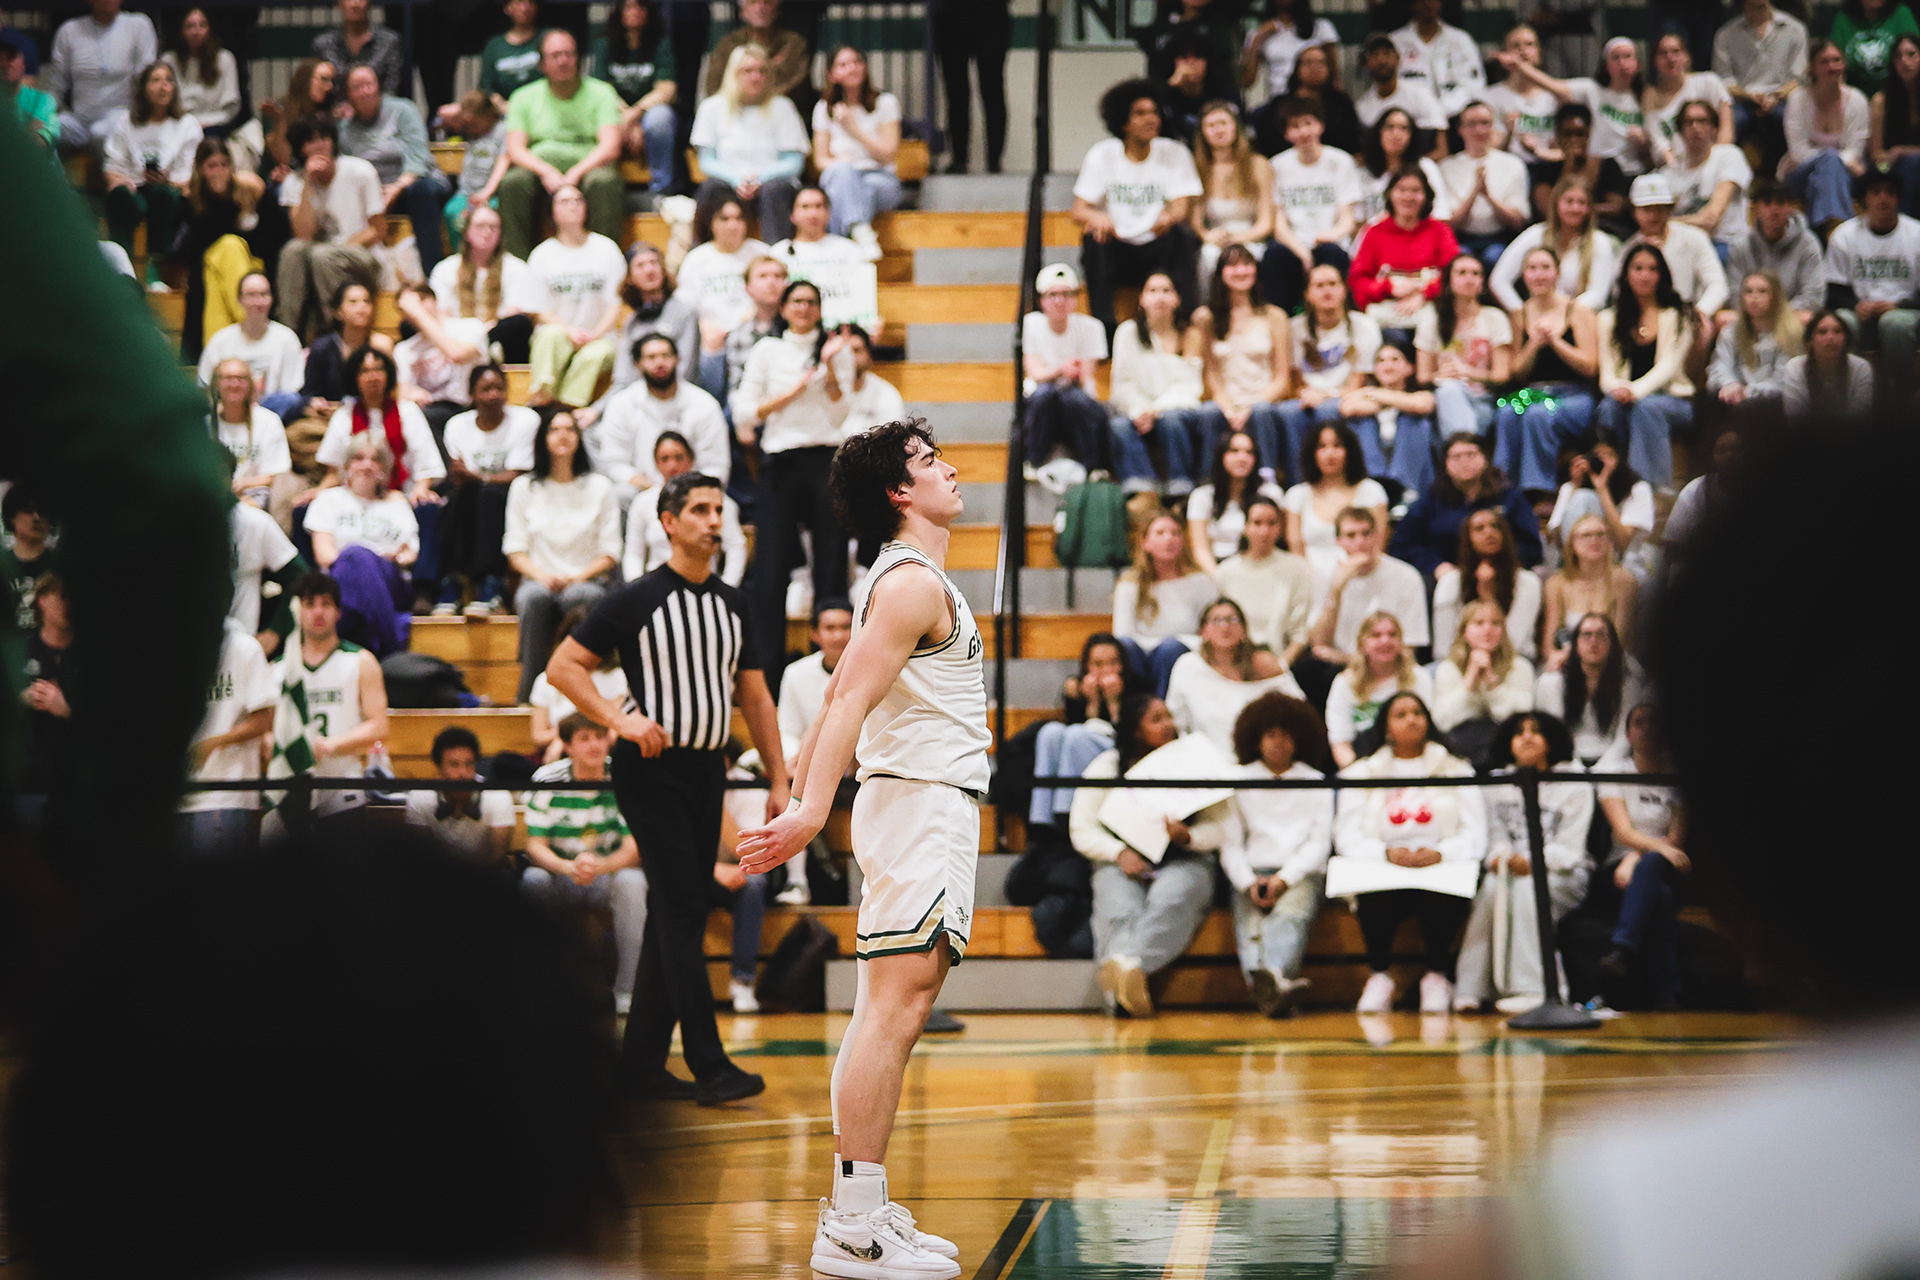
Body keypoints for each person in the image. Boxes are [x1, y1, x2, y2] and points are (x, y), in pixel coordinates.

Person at [728, 420, 985, 1274]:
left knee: (884, 1011)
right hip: (920, 806)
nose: (948, 467)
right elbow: (843, 707)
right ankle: (853, 1226)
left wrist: (806, 791)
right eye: (924, 462)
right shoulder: (912, 584)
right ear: (898, 494)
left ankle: (860, 1205)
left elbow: (838, 688)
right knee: (897, 1013)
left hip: (912, 805)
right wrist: (807, 811)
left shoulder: (900, 579)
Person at [551, 459, 790, 1094]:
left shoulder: (735, 605)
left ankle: (639, 1068)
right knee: (685, 902)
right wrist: (618, 721)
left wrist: (778, 777)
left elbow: (757, 699)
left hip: (705, 769)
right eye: (701, 511)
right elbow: (563, 666)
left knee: (672, 910)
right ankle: (709, 1064)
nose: (716, 521)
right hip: (651, 769)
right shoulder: (634, 598)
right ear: (668, 523)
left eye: (720, 511)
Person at [1066, 693, 1228, 1020]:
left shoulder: (1197, 764)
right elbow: (1081, 827)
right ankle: (1127, 994)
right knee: (1119, 908)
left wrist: (1189, 837)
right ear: (1135, 731)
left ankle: (1125, 976)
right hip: (1123, 858)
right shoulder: (1109, 765)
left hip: (1184, 858)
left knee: (1174, 897)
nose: (1168, 724)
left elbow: (1221, 826)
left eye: (1169, 716)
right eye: (1156, 719)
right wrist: (1118, 852)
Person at [1334, 690, 1486, 1012]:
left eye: (1417, 712)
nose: (1411, 720)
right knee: (1374, 891)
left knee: (1440, 894)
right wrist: (1384, 854)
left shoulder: (1456, 769)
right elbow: (1346, 835)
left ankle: (1437, 976)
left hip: (1441, 864)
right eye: (1400, 714)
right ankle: (1379, 976)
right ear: (1386, 727)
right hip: (1385, 864)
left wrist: (1442, 853)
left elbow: (1476, 833)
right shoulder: (1362, 772)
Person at [732, 279, 855, 676]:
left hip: (826, 460)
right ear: (783, 308)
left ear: (820, 309)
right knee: (769, 568)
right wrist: (799, 387)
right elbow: (748, 413)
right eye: (796, 301)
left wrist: (831, 369)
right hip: (780, 460)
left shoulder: (837, 350)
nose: (803, 308)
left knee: (832, 564)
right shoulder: (767, 350)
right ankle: (766, 671)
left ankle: (834, 662)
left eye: (811, 302)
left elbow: (841, 413)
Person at [1451, 709, 1593, 1012]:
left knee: (1531, 888)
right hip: (1508, 868)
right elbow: (1492, 834)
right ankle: (1471, 988)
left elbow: (1571, 848)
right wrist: (1502, 857)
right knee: (1491, 889)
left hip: (1564, 872)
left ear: (1551, 741)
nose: (1527, 737)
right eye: (1519, 732)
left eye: (1536, 731)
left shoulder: (1575, 783)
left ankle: (1536, 989)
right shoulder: (1495, 782)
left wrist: (1532, 861)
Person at [523, 712, 651, 1014]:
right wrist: (568, 868)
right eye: (584, 738)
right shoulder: (547, 780)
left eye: (599, 736)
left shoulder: (623, 775)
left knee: (633, 882)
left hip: (606, 874)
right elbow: (535, 845)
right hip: (559, 874)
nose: (595, 745)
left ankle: (627, 991)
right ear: (567, 746)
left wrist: (600, 866)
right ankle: (540, 990)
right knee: (532, 881)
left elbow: (633, 847)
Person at [1216, 691, 1333, 1015]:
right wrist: (1247, 882)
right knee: (1250, 929)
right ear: (1256, 739)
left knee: (1290, 917)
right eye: (1271, 734)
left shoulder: (1315, 781)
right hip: (1252, 870)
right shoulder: (1238, 781)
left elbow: (1318, 843)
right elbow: (1231, 842)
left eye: (1286, 735)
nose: (1279, 742)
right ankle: (1271, 990)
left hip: (1300, 872)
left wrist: (1285, 878)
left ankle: (1273, 982)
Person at [1072, 79, 1204, 336]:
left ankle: (1184, 318)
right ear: (1123, 122)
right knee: (1092, 237)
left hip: (1157, 244)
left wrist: (1168, 217)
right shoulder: (1103, 154)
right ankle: (1105, 328)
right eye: (1140, 113)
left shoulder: (1174, 152)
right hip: (1118, 247)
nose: (1151, 119)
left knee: (1183, 236)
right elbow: (1078, 210)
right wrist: (1098, 218)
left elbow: (1181, 209)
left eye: (1154, 112)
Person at [506, 412, 621, 703]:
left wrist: (576, 576)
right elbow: (515, 550)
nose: (563, 435)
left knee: (581, 597)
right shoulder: (524, 488)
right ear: (543, 438)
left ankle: (586, 693)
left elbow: (610, 551)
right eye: (554, 429)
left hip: (586, 577)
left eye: (570, 429)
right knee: (534, 600)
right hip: (538, 578)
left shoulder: (600, 487)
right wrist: (544, 576)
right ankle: (529, 693)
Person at [267, 571, 390, 830]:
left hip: (342, 790)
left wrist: (328, 746)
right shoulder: (277, 670)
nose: (318, 612)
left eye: (326, 604)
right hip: (290, 791)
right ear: (297, 612)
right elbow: (265, 730)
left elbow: (379, 726)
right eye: (309, 604)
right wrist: (280, 747)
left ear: (338, 612)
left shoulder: (361, 661)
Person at [499, 31, 625, 260]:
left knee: (604, 182)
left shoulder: (602, 92)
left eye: (569, 54)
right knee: (512, 183)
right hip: (541, 170)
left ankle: (605, 264)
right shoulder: (522, 96)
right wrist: (546, 171)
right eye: (555, 55)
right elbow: (515, 149)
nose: (563, 61)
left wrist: (576, 172)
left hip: (588, 167)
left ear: (578, 59)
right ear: (542, 63)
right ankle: (519, 265)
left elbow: (611, 145)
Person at [1594, 703, 1687, 1007]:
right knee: (1658, 896)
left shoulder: (1677, 776)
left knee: (1653, 868)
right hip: (1617, 867)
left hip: (1668, 863)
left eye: (1654, 722)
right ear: (1628, 734)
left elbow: (1676, 838)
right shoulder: (1614, 773)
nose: (1646, 728)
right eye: (1639, 723)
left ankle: (1622, 948)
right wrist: (1635, 856)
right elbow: (1623, 831)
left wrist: (1638, 858)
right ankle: (1667, 992)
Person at [1496, 243, 1602, 493]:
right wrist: (1534, 344)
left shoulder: (1577, 311)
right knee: (1506, 412)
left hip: (1574, 395)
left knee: (1537, 413)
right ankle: (1501, 485)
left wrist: (1556, 342)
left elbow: (1590, 367)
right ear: (1524, 275)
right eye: (1532, 268)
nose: (1539, 274)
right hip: (1532, 393)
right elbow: (1516, 372)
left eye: (1545, 267)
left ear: (1557, 273)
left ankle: (1538, 490)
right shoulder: (1519, 314)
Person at [434, 364, 538, 616]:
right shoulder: (458, 425)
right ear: (472, 395)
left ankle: (491, 582)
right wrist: (480, 479)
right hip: (470, 497)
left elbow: (518, 475)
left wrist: (479, 477)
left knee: (489, 495)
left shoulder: (525, 420)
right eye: (486, 389)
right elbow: (459, 476)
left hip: (510, 496)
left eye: (499, 388)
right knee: (455, 497)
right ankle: (452, 581)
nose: (493, 395)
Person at [1595, 243, 1697, 491]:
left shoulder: (1679, 315)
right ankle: (1614, 485)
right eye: (1638, 268)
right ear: (1626, 274)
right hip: (1627, 396)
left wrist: (1635, 392)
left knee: (1647, 407)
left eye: (1652, 269)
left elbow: (1670, 366)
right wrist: (1619, 389)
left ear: (1661, 275)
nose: (1644, 275)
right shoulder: (1608, 318)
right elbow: (1607, 372)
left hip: (1674, 400)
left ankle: (1651, 489)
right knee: (1607, 408)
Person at [304, 435, 418, 656]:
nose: (367, 465)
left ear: (384, 468)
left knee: (359, 557)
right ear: (347, 466)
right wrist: (361, 561)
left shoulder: (397, 503)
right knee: (355, 556)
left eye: (375, 460)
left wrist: (386, 559)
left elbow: (410, 554)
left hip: (388, 579)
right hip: (340, 577)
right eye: (359, 458)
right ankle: (389, 645)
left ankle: (342, 638)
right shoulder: (329, 499)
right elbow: (324, 555)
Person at [275, 116, 382, 341]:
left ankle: (335, 335)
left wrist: (339, 249)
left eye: (323, 138)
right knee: (292, 250)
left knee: (322, 255)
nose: (319, 145)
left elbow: (378, 229)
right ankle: (287, 337)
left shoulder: (360, 171)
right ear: (300, 149)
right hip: (318, 259)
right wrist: (307, 183)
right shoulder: (294, 182)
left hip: (362, 257)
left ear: (333, 141)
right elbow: (304, 235)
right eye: (310, 141)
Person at [691, 43, 810, 245]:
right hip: (729, 183)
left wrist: (760, 179)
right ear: (733, 73)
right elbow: (707, 161)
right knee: (711, 188)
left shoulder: (782, 107)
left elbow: (794, 162)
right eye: (748, 71)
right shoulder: (712, 107)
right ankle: (702, 251)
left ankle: (779, 255)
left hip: (772, 184)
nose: (756, 77)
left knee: (776, 189)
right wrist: (737, 179)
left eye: (762, 71)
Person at [1191, 244, 1292, 479]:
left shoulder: (1274, 316)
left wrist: (1249, 406)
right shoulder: (1206, 318)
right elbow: (1211, 373)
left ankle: (1269, 479)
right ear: (1221, 272)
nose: (1241, 271)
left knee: (1261, 412)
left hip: (1262, 399)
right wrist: (1228, 406)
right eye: (1233, 265)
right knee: (1208, 414)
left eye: (1247, 264)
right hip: (1226, 401)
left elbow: (1282, 378)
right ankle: (1207, 482)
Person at [592, 333, 731, 504]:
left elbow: (716, 467)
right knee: (620, 494)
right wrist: (648, 487)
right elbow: (613, 462)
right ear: (637, 364)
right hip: (641, 493)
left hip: (693, 495)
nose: (659, 363)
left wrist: (686, 492)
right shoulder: (621, 404)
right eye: (651, 357)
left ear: (677, 359)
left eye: (665, 355)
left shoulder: (704, 405)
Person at [339, 64, 452, 273]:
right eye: (357, 87)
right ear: (348, 94)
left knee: (422, 192)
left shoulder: (402, 110)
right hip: (375, 195)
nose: (364, 91)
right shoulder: (344, 129)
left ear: (378, 87)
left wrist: (397, 187)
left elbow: (419, 156)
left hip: (416, 182)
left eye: (369, 84)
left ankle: (432, 275)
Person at [179, 614, 278, 854]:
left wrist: (213, 744)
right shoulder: (173, 647)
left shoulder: (244, 647)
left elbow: (264, 718)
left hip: (226, 796)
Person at [1494, 36, 1658, 179]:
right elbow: (1553, 86)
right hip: (1599, 169)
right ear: (1605, 65)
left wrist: (1644, 143)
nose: (1622, 63)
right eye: (1615, 58)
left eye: (1628, 57)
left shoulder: (1646, 96)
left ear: (1638, 63)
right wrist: (1519, 66)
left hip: (1635, 171)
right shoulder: (1592, 89)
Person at [1029, 632, 1146, 831]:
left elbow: (1130, 737)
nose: (1106, 670)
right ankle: (1040, 821)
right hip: (1080, 745)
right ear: (1087, 666)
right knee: (1050, 732)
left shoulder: (1136, 688)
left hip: (1118, 750)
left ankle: (1064, 814)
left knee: (1076, 734)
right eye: (1098, 664)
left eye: (1113, 663)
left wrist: (1113, 703)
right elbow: (1073, 730)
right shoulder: (1077, 689)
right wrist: (1091, 704)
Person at [524, 185, 628, 409]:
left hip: (600, 336)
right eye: (564, 201)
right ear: (552, 211)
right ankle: (542, 397)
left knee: (593, 356)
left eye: (577, 200)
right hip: (559, 332)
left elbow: (615, 304)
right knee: (549, 336)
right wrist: (570, 331)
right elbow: (540, 309)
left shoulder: (606, 249)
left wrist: (594, 334)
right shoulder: (541, 255)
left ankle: (565, 410)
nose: (572, 206)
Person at [1392, 432, 1545, 581]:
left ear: (1485, 458)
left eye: (1471, 454)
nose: (1464, 462)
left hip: (1501, 575)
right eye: (1456, 457)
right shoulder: (1431, 501)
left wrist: (1499, 565)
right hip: (1446, 576)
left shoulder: (1509, 498)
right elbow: (1402, 545)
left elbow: (1531, 546)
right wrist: (1435, 565)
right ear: (1445, 465)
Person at [104, 61, 201, 292]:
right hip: (134, 187)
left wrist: (168, 180)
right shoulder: (125, 122)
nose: (163, 87)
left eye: (168, 80)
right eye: (155, 80)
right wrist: (123, 180)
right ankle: (124, 272)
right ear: (143, 88)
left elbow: (192, 175)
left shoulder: (187, 124)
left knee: (163, 195)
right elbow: (111, 167)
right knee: (119, 196)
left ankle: (156, 272)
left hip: (170, 191)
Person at [1108, 271, 1208, 495]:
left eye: (1166, 290)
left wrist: (1156, 410)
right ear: (1142, 299)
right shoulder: (1127, 332)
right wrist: (1140, 410)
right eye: (1152, 291)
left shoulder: (1190, 335)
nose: (1159, 297)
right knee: (1119, 425)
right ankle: (1143, 487)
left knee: (1171, 420)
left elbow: (1189, 386)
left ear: (1177, 299)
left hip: (1177, 411)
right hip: (1140, 412)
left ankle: (1180, 483)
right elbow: (1122, 384)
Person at [1165, 596, 1306, 752]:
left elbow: (1300, 710)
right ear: (1202, 631)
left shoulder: (1264, 663)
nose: (1225, 626)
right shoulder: (1188, 666)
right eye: (1216, 620)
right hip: (1204, 758)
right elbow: (1176, 719)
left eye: (1232, 619)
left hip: (1259, 758)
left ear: (1244, 630)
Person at [1824, 167, 1920, 392]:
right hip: (1861, 312)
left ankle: (1901, 393)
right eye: (1876, 192)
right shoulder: (1844, 235)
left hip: (1906, 312)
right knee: (1841, 321)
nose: (1883, 198)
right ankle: (1848, 391)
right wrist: (1855, 306)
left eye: (1890, 192)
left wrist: (1898, 306)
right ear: (1865, 199)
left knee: (1895, 323)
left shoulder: (1916, 234)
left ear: (1898, 198)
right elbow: (1834, 290)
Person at [1279, 268, 1384, 470]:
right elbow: (1294, 381)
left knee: (1327, 409)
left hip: (1345, 396)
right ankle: (1297, 480)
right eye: (1319, 286)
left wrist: (1327, 395)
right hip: (1306, 398)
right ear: (1307, 294)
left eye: (1333, 284)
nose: (1327, 291)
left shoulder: (1364, 326)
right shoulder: (1294, 329)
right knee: (1287, 412)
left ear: (1344, 289)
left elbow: (1358, 382)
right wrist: (1304, 393)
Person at [1017, 261, 1112, 478]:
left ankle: (1094, 466)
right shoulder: (1030, 324)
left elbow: (1085, 375)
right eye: (1053, 295)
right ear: (1042, 300)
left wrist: (1067, 374)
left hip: (1076, 401)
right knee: (1045, 394)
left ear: (1076, 299)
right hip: (1043, 400)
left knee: (1074, 398)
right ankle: (1033, 459)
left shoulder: (1092, 327)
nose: (1060, 301)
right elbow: (1035, 372)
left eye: (1067, 294)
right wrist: (1062, 369)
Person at [1265, 102, 1362, 314]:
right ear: (1286, 134)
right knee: (1274, 255)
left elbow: (1348, 219)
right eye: (1295, 126)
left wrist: (1329, 235)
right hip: (1293, 242)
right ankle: (1282, 321)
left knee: (1332, 253)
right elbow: (1279, 223)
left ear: (1320, 126)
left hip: (1330, 240)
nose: (1303, 132)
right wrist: (1301, 251)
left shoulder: (1341, 161)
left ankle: (1340, 316)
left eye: (1308, 123)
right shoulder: (1277, 165)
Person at [1283, 421, 1391, 604]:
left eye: (1337, 446)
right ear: (1312, 453)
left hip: (1364, 577)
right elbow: (1296, 550)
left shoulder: (1372, 491)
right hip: (1311, 583)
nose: (1330, 453)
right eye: (1322, 447)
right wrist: (1320, 584)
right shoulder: (1297, 495)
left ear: (1349, 451)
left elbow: (1378, 544)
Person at [1112, 512, 1218, 693]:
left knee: (1170, 649)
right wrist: (1157, 646)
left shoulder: (1201, 582)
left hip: (1183, 653)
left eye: (1175, 533)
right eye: (1160, 533)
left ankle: (1164, 711)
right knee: (1127, 647)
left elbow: (1211, 629)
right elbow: (1122, 635)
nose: (1169, 539)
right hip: (1141, 657)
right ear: (1145, 542)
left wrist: (1172, 643)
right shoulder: (1129, 585)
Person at [623, 429, 747, 583]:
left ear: (691, 459)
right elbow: (634, 553)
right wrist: (636, 591)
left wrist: (728, 589)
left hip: (704, 583)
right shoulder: (643, 502)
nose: (672, 465)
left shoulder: (715, 500)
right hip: (655, 585)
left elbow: (735, 546)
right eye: (664, 459)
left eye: (679, 457)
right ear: (656, 463)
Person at [590, 242, 701, 413]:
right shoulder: (632, 323)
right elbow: (622, 379)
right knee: (592, 430)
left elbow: (686, 372)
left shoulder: (684, 313)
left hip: (675, 400)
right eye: (640, 265)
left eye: (654, 262)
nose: (649, 270)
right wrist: (594, 411)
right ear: (630, 277)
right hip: (636, 403)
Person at [1349, 165, 1460, 335]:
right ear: (1390, 194)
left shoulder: (1439, 230)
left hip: (1430, 308)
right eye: (1401, 190)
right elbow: (1358, 282)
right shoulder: (1374, 232)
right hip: (1386, 310)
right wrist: (1388, 288)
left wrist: (1424, 294)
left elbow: (1455, 275)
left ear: (1426, 196)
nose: (1408, 197)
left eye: (1415, 190)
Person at [1415, 253, 1513, 439]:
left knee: (1452, 391)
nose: (1469, 279)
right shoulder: (1431, 320)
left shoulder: (1495, 318)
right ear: (1449, 281)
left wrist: (1467, 372)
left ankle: (1460, 452)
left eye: (1475, 274)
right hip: (1443, 397)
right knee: (1449, 390)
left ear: (1482, 282)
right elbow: (1423, 376)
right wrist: (1441, 376)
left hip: (1482, 399)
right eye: (1462, 273)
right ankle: (1467, 450)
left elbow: (1502, 375)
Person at [812, 45, 901, 251]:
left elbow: (888, 155)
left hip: (879, 177)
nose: (852, 68)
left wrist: (854, 130)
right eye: (843, 65)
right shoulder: (823, 108)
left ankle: (843, 244)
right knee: (843, 176)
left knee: (852, 194)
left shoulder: (885, 102)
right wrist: (843, 164)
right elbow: (820, 160)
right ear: (832, 74)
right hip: (841, 175)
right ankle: (861, 234)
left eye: (856, 62)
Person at [1779, 40, 1871, 237]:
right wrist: (1832, 157)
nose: (1832, 66)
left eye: (1837, 60)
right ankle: (1843, 233)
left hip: (1842, 177)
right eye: (1825, 61)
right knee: (1829, 160)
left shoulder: (1857, 100)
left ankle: (1823, 234)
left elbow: (1856, 149)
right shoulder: (1798, 99)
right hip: (1798, 172)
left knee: (1819, 182)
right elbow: (1798, 151)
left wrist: (1830, 159)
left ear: (1844, 64)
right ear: (1813, 67)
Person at [430, 203, 542, 365]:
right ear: (467, 231)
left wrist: (483, 333)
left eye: (493, 227)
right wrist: (473, 333)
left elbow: (514, 312)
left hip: (497, 338)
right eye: (480, 226)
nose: (487, 232)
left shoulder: (516, 267)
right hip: (457, 338)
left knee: (519, 325)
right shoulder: (445, 269)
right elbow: (441, 314)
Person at [43, 0, 157, 157]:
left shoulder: (138, 25)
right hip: (79, 119)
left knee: (100, 132)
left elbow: (147, 80)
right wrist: (41, 116)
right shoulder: (69, 30)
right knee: (47, 130)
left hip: (119, 115)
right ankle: (56, 181)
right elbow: (56, 85)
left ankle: (115, 180)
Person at [1621, 172, 1730, 328]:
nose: (1653, 216)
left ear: (1670, 209)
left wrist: (1699, 313)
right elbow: (1621, 295)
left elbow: (1718, 285)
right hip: (1642, 322)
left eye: (1659, 209)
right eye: (1646, 209)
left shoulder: (1694, 238)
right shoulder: (1629, 249)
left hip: (1687, 318)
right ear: (1634, 212)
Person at [1432, 506, 1543, 661]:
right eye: (1479, 529)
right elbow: (1443, 648)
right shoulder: (1450, 582)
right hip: (1460, 662)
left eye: (1495, 527)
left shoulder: (1528, 582)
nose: (1489, 533)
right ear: (1467, 538)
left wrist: (1488, 597)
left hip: (1514, 661)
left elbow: (1516, 641)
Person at [1324, 609, 1432, 765]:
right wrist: (1360, 779)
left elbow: (1427, 732)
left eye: (1392, 635)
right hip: (1363, 763)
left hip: (1412, 761)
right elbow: (1340, 744)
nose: (1385, 641)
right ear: (1362, 643)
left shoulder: (1419, 677)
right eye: (1376, 635)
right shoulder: (1345, 683)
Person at [1545, 435, 1657, 584]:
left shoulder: (1638, 489)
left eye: (1610, 456)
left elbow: (1622, 544)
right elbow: (1560, 544)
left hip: (1621, 565)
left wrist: (1602, 489)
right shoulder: (1571, 488)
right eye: (1597, 457)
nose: (1603, 463)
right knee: (1582, 497)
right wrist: (1575, 487)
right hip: (1578, 565)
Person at [526, 603, 630, 763]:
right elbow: (538, 735)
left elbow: (616, 728)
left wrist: (579, 740)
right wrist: (568, 740)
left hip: (603, 754)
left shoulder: (617, 676)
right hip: (559, 756)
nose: (585, 646)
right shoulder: (545, 679)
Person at [1215, 496, 1315, 662]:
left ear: (1280, 528)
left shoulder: (1296, 568)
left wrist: (1280, 667)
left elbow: (1300, 634)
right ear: (1246, 527)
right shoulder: (1226, 571)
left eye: (1271, 523)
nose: (1264, 531)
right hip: (1234, 659)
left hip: (1279, 658)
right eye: (1257, 523)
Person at [1336, 335, 1439, 496]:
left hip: (1413, 471)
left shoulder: (1421, 394)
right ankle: (1372, 486)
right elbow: (1347, 408)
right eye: (1381, 361)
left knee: (1411, 420)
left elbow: (1421, 405)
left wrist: (1373, 394)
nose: (1387, 366)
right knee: (1362, 422)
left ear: (1409, 367)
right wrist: (1397, 401)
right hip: (1375, 466)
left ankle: (1406, 491)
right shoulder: (1365, 397)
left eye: (1395, 359)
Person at [592, 0, 677, 193]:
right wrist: (625, 116)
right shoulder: (604, 42)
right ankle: (606, 187)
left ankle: (661, 190)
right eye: (628, 7)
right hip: (615, 110)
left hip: (647, 111)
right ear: (619, 12)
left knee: (660, 118)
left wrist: (634, 115)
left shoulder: (661, 41)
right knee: (604, 118)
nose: (634, 12)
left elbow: (667, 89)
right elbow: (600, 89)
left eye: (640, 7)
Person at [1438, 100, 1533, 271]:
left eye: (1485, 123)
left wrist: (1488, 196)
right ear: (1461, 130)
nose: (1479, 130)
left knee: (1494, 257)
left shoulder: (1513, 164)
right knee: (1459, 260)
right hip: (1461, 238)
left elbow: (1518, 222)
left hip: (1500, 238)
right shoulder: (1447, 167)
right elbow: (1450, 224)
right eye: (1472, 124)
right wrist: (1475, 192)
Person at [1191, 100, 1276, 290]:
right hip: (1216, 239)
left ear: (1235, 127)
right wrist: (1207, 236)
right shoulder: (1199, 168)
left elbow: (1266, 222)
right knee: (1208, 257)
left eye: (1223, 123)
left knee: (1259, 258)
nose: (1218, 130)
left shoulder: (1258, 165)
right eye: (1211, 125)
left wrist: (1239, 238)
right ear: (1202, 132)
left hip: (1252, 238)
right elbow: (1196, 223)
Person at [393, 284, 489, 444]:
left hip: (468, 406)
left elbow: (457, 354)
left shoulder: (470, 327)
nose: (411, 312)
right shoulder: (404, 349)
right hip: (429, 409)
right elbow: (402, 391)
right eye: (406, 309)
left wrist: (419, 313)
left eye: (420, 301)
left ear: (434, 300)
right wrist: (411, 393)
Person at [404, 725, 515, 863]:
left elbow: (498, 855)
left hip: (487, 877)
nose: (463, 772)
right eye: (454, 764)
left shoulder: (497, 795)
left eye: (469, 764)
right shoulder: (420, 796)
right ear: (439, 768)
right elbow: (420, 854)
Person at [1713, 0, 1808, 160]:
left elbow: (1798, 78)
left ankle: (1787, 173)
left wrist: (1775, 96)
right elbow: (1723, 80)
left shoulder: (1795, 29)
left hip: (1782, 97)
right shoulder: (1726, 34)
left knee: (1787, 116)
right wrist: (1749, 96)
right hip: (1742, 99)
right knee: (1733, 120)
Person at [1431, 599, 1536, 741]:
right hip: (1461, 743)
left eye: (1496, 623)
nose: (1488, 629)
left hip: (1506, 742)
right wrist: (1469, 680)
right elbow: (1443, 722)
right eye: (1479, 623)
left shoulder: (1519, 666)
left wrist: (1493, 684)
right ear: (1465, 631)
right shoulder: (1448, 668)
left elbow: (1521, 719)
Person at [1723, 178, 1826, 324]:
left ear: (1791, 207)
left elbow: (1813, 296)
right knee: (1723, 319)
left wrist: (1777, 313)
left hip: (1791, 316)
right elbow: (1735, 295)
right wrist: (1758, 313)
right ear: (1756, 208)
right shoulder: (1741, 246)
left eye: (1780, 203)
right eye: (1767, 203)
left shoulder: (1808, 243)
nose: (1774, 209)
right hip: (1751, 318)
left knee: (1808, 318)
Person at [1524, 103, 1633, 238]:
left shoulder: (1608, 165)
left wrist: (1575, 211)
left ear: (1588, 134)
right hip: (1556, 233)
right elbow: (1546, 210)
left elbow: (1616, 208)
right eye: (1567, 134)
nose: (1574, 140)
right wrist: (1568, 166)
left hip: (1601, 231)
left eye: (1580, 134)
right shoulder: (1546, 169)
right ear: (1558, 136)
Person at [1662, 96, 1754, 253]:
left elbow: (1711, 220)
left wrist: (1667, 224)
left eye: (1702, 121)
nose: (1695, 127)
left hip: (1726, 244)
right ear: (1681, 131)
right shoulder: (1669, 173)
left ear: (1714, 128)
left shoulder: (1728, 156)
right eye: (1688, 122)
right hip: (1684, 247)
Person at [200, 272, 304, 409]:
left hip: (273, 412)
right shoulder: (221, 340)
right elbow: (206, 385)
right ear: (239, 299)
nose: (259, 302)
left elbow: (291, 391)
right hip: (228, 410)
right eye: (251, 295)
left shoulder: (287, 339)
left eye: (264, 294)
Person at [1188, 430, 1286, 575]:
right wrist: (1221, 579)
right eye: (1234, 451)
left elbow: (1280, 542)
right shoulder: (1202, 495)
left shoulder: (1271, 493)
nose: (1242, 458)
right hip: (1216, 569)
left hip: (1263, 569)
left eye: (1249, 452)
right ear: (1221, 456)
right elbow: (1200, 549)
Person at [1545, 513, 1639, 663]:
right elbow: (1550, 642)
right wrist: (1557, 658)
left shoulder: (1624, 580)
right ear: (1572, 543)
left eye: (1601, 534)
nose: (1595, 540)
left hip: (1613, 661)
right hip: (1569, 661)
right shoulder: (1557, 583)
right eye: (1586, 535)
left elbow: (1621, 639)